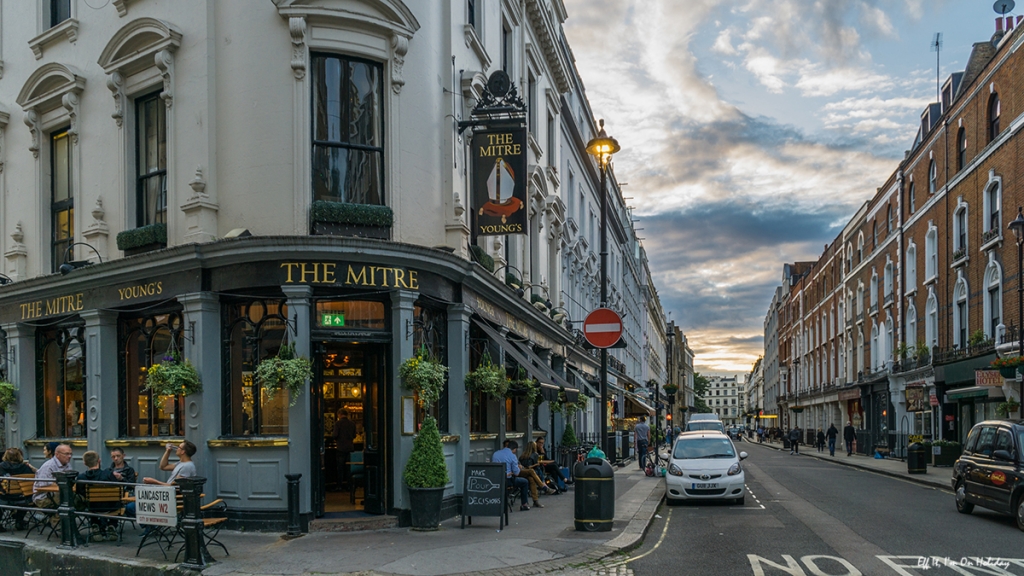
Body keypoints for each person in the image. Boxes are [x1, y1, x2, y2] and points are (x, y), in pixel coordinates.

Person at [77, 451, 122, 542]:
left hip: (92, 508)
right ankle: (112, 525)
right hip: (111, 507)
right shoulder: (108, 474)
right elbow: (118, 489)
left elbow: (80, 493)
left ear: (85, 463)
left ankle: (95, 524)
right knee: (116, 500)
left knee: (90, 502)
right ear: (99, 461)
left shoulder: (81, 477)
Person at [0, 448, 35, 530]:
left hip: (5, 498)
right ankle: (19, 521)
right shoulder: (26, 467)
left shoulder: (1, 467)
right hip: (23, 498)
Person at [492, 441, 530, 511]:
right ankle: (524, 504)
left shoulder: (495, 454)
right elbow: (517, 473)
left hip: (496, 479)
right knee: (525, 482)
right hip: (508, 481)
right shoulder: (512, 456)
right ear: (515, 449)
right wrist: (519, 467)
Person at [34, 443, 73, 510]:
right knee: (65, 504)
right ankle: (54, 520)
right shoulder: (48, 466)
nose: (69, 456)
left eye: (70, 454)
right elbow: (42, 484)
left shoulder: (67, 465)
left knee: (79, 501)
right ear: (57, 454)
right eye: (66, 454)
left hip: (61, 495)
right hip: (43, 498)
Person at [518, 441, 553, 508]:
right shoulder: (535, 454)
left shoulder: (522, 456)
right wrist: (536, 464)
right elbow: (535, 466)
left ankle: (536, 501)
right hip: (530, 471)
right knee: (534, 471)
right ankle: (543, 486)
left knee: (531, 479)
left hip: (522, 472)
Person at [332, 410, 357, 491]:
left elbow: (335, 435)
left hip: (341, 448)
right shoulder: (352, 423)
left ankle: (339, 486)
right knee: (349, 468)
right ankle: (350, 485)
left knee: (340, 468)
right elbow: (354, 435)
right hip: (350, 447)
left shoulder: (338, 423)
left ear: (339, 414)